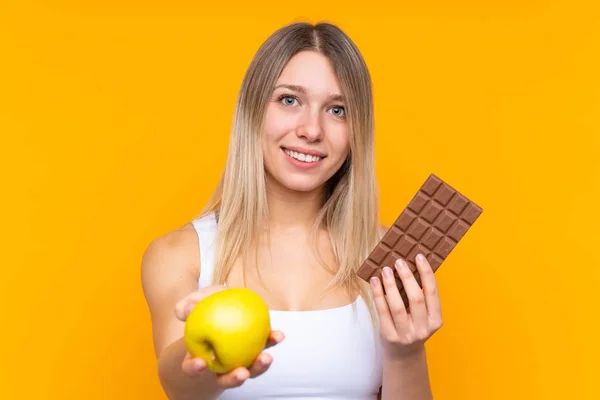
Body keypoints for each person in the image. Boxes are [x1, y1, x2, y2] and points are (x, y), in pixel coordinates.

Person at [141, 21, 443, 400]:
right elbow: (179, 387)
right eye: (289, 100)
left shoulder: (388, 257)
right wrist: (202, 352)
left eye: (337, 110)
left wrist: (406, 351)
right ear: (252, 110)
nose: (312, 130)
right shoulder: (179, 255)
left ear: (357, 132)